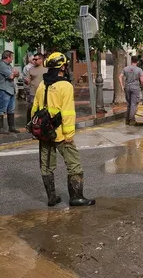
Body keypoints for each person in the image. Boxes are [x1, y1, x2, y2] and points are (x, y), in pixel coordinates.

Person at [31, 52, 95, 207]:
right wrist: (69, 134)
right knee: (74, 164)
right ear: (62, 67)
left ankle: (51, 198)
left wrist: (37, 130)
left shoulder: (42, 84)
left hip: (44, 132)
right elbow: (67, 112)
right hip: (60, 133)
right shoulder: (65, 85)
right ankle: (76, 197)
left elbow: (34, 109)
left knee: (46, 165)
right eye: (65, 65)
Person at [0, 50, 20, 134]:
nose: (12, 59)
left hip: (11, 90)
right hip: (4, 90)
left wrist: (15, 73)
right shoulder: (1, 65)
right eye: (12, 57)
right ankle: (0, 128)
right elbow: (11, 76)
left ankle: (11, 127)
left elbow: (17, 73)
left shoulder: (9, 65)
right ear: (8, 57)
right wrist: (14, 73)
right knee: (2, 109)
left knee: (11, 109)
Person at [119, 55, 143, 126]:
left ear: (131, 61)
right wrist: (142, 85)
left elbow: (120, 76)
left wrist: (122, 86)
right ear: (137, 61)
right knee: (133, 103)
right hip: (135, 88)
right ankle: (131, 119)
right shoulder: (139, 70)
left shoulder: (126, 68)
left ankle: (127, 119)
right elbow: (142, 80)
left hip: (127, 87)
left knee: (129, 103)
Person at [24, 53, 46, 123]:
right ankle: (29, 122)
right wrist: (26, 81)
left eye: (36, 59)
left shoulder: (46, 70)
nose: (34, 61)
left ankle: (40, 122)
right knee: (31, 107)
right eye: (33, 59)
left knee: (42, 107)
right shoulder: (31, 69)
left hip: (43, 92)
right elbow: (27, 80)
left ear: (41, 60)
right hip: (33, 92)